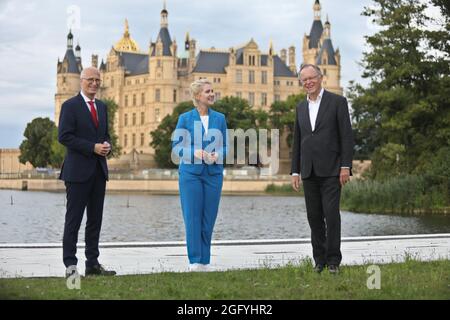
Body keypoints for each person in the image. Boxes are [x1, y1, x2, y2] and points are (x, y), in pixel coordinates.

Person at [291, 64, 354, 274]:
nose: (308, 82)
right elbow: (297, 141)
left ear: (321, 78)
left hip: (332, 170)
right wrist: (295, 171)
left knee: (331, 215)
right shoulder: (300, 107)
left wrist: (346, 166)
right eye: (304, 80)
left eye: (311, 78)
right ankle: (319, 260)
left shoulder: (337, 102)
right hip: (308, 171)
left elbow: (346, 136)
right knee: (314, 216)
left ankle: (334, 260)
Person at [58, 67, 116, 277]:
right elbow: (64, 137)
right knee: (73, 221)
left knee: (95, 221)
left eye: (97, 80)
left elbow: (106, 134)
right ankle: (71, 268)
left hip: (99, 172)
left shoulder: (101, 107)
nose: (94, 83)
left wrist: (107, 145)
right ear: (81, 81)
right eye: (90, 80)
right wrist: (92, 147)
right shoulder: (70, 106)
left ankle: (92, 264)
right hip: (77, 173)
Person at [172, 79, 228, 272]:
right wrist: (192, 152)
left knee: (209, 217)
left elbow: (227, 146)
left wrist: (218, 155)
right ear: (197, 96)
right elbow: (177, 147)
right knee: (193, 217)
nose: (212, 94)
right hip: (191, 175)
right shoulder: (185, 118)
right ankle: (195, 261)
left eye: (212, 91)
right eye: (207, 91)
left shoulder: (220, 118)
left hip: (213, 174)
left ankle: (205, 261)